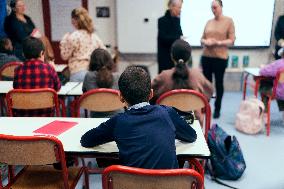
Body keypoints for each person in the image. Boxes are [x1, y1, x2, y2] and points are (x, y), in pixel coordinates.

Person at [80, 66, 197, 169]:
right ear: (151, 94)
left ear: (120, 97)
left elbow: (86, 140)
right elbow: (191, 136)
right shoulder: (167, 113)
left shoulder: (117, 122)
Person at [152, 39, 213, 123]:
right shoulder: (197, 75)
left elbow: (149, 94)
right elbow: (209, 93)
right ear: (189, 57)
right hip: (194, 124)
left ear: (172, 56)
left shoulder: (164, 76)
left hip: (166, 124)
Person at [200, 0, 235, 119]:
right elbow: (202, 39)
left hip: (220, 58)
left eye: (215, 7)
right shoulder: (209, 22)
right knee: (206, 84)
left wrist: (217, 42)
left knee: (219, 83)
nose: (213, 10)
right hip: (206, 57)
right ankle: (205, 105)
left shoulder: (228, 21)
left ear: (221, 7)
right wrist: (206, 42)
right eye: (211, 8)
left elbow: (232, 40)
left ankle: (217, 109)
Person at [13, 37, 61, 117]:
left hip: (23, 116)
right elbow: (58, 88)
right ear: (42, 53)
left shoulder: (18, 70)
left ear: (23, 54)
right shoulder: (49, 68)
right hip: (46, 115)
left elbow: (16, 88)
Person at [60, 7, 106, 82]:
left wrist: (64, 41)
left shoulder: (73, 36)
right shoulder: (94, 36)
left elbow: (65, 56)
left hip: (77, 72)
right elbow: (104, 52)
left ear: (73, 21)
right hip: (92, 73)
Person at [157, 0, 183, 73]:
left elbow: (180, 34)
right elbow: (163, 38)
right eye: (179, 8)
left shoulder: (177, 20)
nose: (180, 10)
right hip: (165, 58)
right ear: (171, 7)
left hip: (176, 58)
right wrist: (178, 38)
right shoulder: (162, 21)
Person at [259, 47, 284, 118]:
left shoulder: (279, 63)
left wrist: (263, 67)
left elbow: (263, 72)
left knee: (264, 88)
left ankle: (265, 116)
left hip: (279, 93)